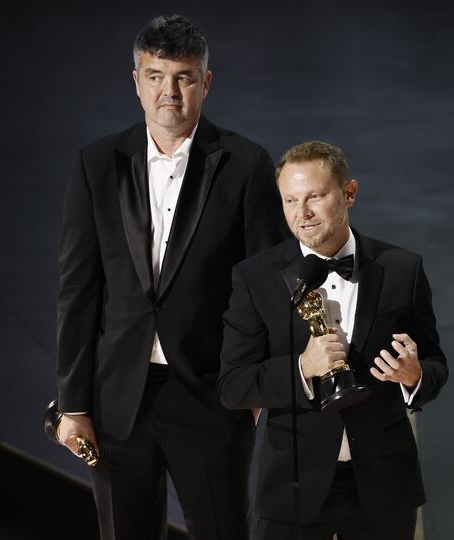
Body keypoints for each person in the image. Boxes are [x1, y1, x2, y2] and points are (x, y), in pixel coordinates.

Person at [55, 14, 287, 539]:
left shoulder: (246, 163)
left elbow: (268, 285)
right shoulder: (97, 164)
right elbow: (78, 290)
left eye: (184, 78)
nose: (170, 92)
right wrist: (73, 404)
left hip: (211, 396)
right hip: (117, 400)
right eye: (156, 76)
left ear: (206, 82)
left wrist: (254, 391)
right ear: (136, 81)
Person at [218, 141, 448, 540]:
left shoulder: (402, 269)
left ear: (349, 193)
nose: (302, 213)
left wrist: (414, 376)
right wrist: (302, 368)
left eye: (315, 197)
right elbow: (233, 385)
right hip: (292, 487)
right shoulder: (256, 278)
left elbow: (435, 364)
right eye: (290, 200)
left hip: (383, 484)